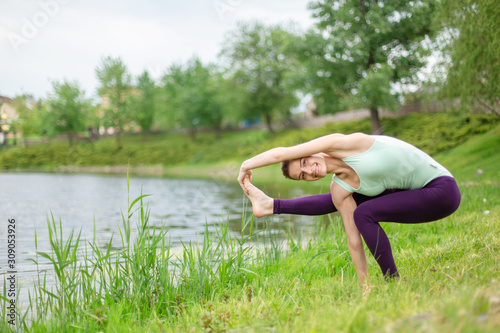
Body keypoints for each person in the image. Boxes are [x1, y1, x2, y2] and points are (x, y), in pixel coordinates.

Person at [237, 132, 461, 285]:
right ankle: (269, 205)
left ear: (312, 152)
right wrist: (364, 287)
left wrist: (245, 165)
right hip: (415, 194)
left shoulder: (344, 144)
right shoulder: (340, 188)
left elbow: (279, 154)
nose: (310, 171)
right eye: (303, 176)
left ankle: (393, 281)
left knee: (364, 212)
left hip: (442, 190)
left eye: (304, 162)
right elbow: (353, 241)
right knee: (348, 205)